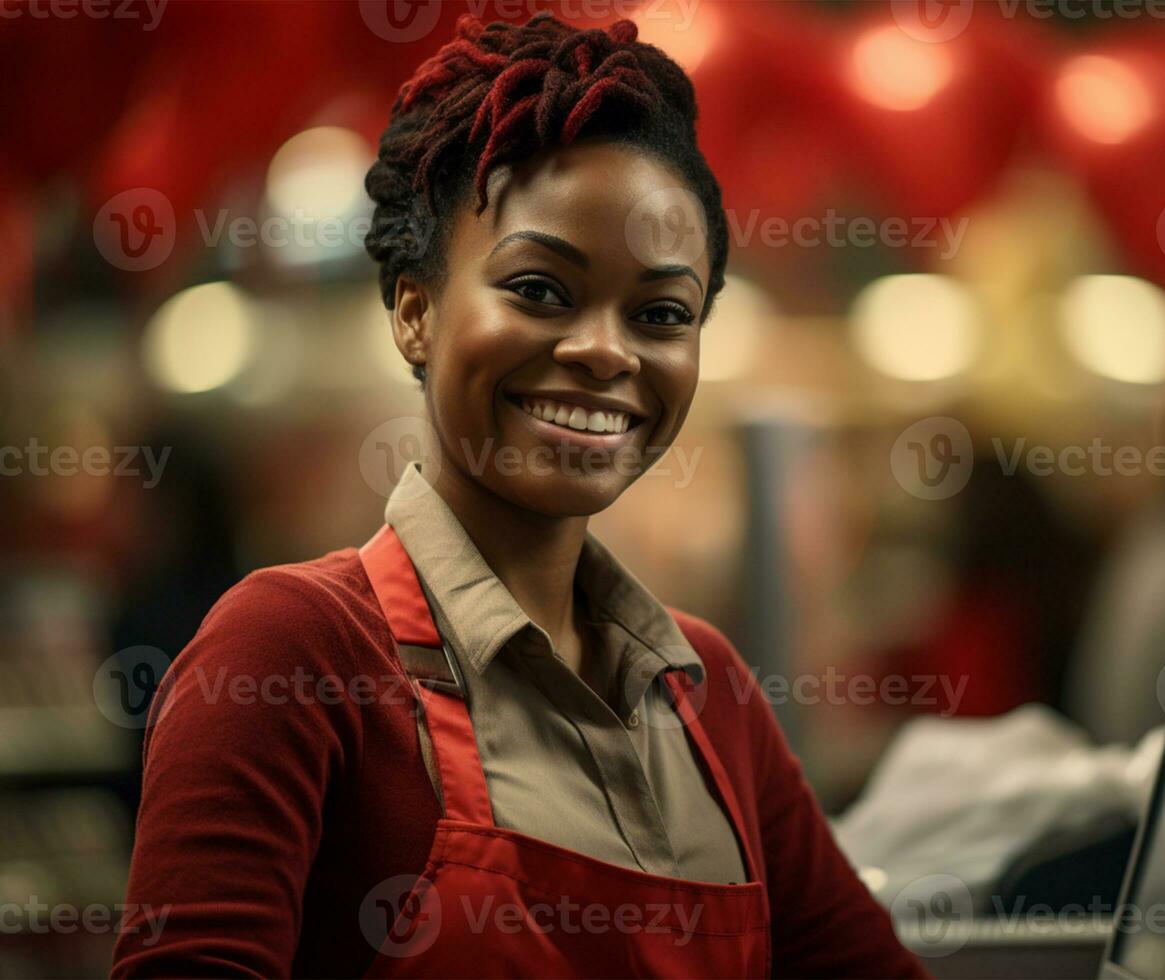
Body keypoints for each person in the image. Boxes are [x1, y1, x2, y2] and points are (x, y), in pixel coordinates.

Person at [112, 13, 927, 978]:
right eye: (541, 289)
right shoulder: (292, 654)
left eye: (661, 312)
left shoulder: (709, 696)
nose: (604, 350)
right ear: (414, 309)